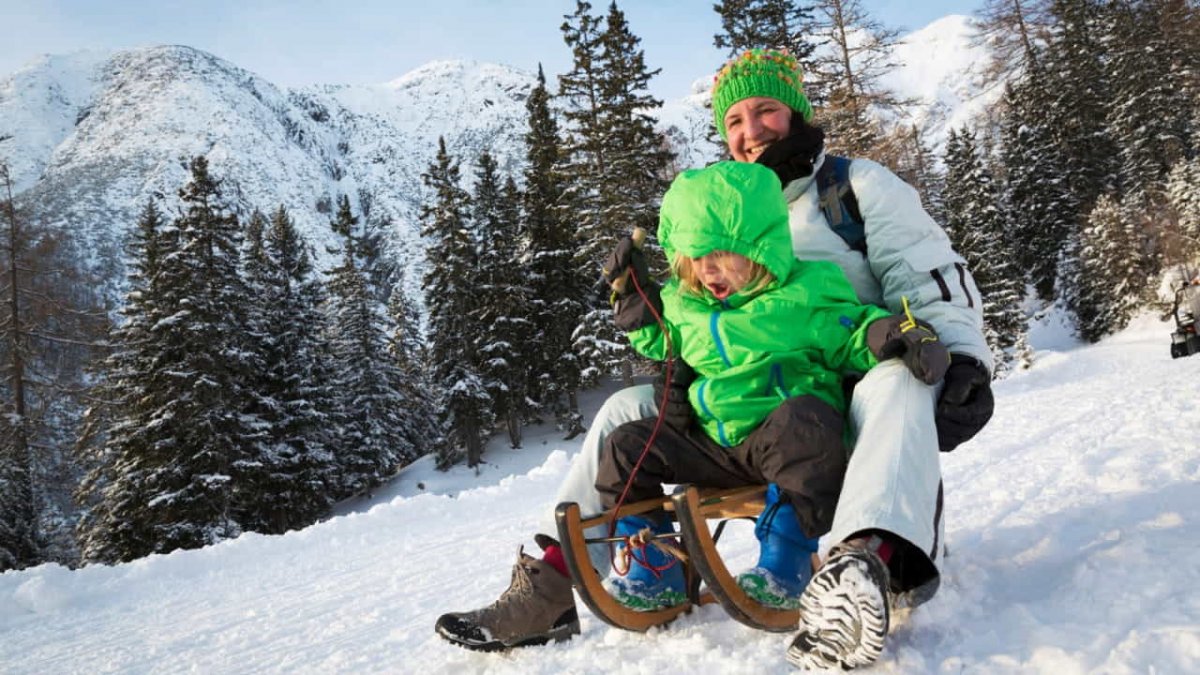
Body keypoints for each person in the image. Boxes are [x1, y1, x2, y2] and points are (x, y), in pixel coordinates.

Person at [436, 48, 995, 670]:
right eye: (734, 120)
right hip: (739, 401)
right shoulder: (716, 204)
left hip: (841, 398)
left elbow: (930, 278)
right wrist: (643, 305)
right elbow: (683, 318)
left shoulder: (852, 189)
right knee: (627, 410)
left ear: (797, 114)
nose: (749, 131)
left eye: (765, 111)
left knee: (893, 381)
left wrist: (962, 357)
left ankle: (865, 565)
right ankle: (556, 580)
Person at [593, 160, 948, 614]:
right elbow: (660, 341)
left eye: (721, 253)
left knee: (805, 421)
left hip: (785, 442)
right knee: (626, 446)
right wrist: (632, 299)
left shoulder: (805, 293)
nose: (708, 270)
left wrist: (898, 335)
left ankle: (785, 564)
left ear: (761, 247)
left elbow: (854, 332)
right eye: (696, 257)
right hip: (713, 442)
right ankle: (653, 566)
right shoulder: (686, 305)